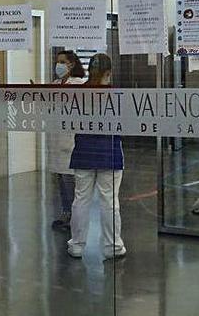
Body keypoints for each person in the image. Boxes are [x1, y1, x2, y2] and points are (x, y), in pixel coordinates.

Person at [67, 53, 126, 259]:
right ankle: (113, 247)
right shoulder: (115, 94)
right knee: (109, 201)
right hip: (109, 152)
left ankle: (77, 245)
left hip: (83, 150)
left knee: (81, 199)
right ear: (109, 72)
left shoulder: (79, 93)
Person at [46, 50, 86, 230]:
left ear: (71, 64)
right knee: (61, 180)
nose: (58, 66)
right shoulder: (55, 83)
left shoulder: (78, 84)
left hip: (70, 139)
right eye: (57, 62)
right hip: (56, 137)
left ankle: (74, 217)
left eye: (62, 62)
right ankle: (65, 213)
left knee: (70, 181)